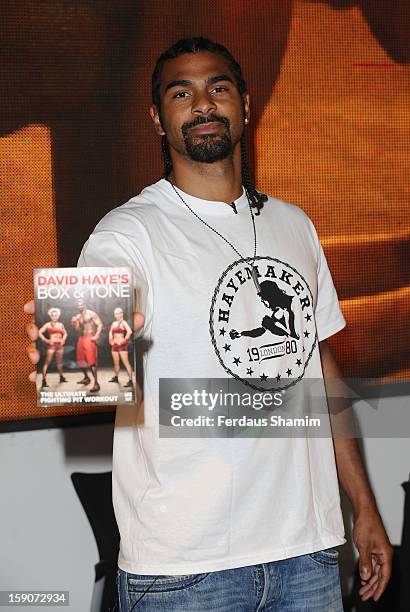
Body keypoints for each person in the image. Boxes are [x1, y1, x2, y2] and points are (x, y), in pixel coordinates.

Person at [27, 37, 392, 611]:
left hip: (310, 554)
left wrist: (363, 506)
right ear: (157, 118)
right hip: (185, 571)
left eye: (217, 87)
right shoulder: (126, 233)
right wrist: (73, 350)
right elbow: (81, 373)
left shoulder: (294, 226)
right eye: (182, 92)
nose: (202, 103)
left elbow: (320, 371)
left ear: (245, 105)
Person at [70, 297, 103, 393]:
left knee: (91, 361)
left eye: (81, 304)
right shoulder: (77, 316)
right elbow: (77, 329)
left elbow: (100, 324)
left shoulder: (91, 314)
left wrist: (96, 335)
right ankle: (86, 378)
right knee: (80, 361)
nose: (80, 306)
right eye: (78, 304)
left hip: (90, 338)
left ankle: (96, 383)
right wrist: (74, 323)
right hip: (81, 338)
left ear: (85, 304)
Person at [38, 307, 67, 387]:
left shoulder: (61, 324)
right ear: (50, 316)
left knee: (59, 362)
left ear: (58, 316)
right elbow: (39, 332)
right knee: (47, 363)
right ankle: (43, 381)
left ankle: (61, 377)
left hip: (60, 345)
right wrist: (46, 340)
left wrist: (63, 339)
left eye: (56, 315)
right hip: (52, 345)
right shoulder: (48, 324)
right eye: (53, 315)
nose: (54, 317)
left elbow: (65, 333)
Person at [108, 307, 134, 387]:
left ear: (121, 314)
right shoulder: (114, 323)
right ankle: (116, 377)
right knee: (116, 363)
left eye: (118, 313)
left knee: (126, 363)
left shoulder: (123, 322)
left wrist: (124, 341)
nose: (116, 315)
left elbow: (129, 331)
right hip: (115, 345)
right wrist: (111, 341)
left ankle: (130, 381)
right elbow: (110, 332)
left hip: (122, 345)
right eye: (115, 313)